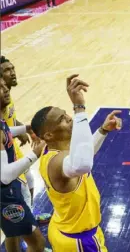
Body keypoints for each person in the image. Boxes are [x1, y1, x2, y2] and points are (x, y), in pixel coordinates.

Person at [30, 74, 122, 251]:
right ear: (49, 135)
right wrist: (79, 107)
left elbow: (83, 154)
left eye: (67, 114)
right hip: (79, 241)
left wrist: (102, 130)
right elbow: (83, 164)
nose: (70, 118)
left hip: (67, 229)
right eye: (62, 119)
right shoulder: (56, 163)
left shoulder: (56, 148)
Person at [1, 56, 52, 231]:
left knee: (28, 179)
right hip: (6, 151)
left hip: (10, 144)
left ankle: (29, 215)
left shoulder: (7, 96)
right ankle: (25, 230)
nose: (12, 72)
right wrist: (33, 154)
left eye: (12, 68)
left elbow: (7, 123)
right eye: (7, 70)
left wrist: (23, 128)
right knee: (18, 191)